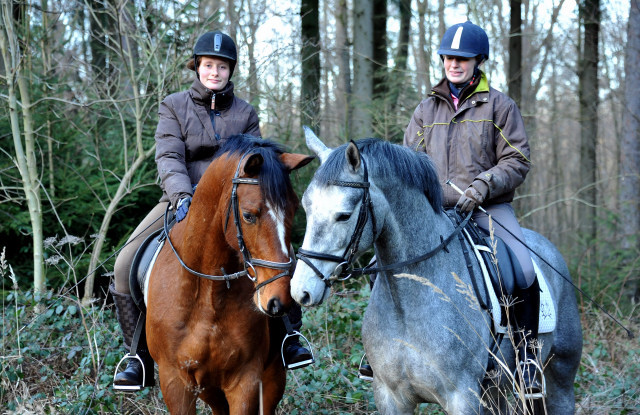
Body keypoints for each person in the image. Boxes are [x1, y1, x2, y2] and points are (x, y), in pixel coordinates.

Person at [110, 30, 312, 390]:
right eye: (208, 65)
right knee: (125, 262)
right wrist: (181, 195)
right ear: (197, 67)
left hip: (238, 204)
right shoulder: (174, 106)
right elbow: (169, 157)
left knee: (282, 255)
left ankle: (287, 339)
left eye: (221, 66)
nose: (214, 72)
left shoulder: (245, 112)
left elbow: (259, 160)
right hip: (181, 199)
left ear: (230, 71)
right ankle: (136, 356)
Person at [402, 21, 542, 396]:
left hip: (486, 208)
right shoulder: (425, 109)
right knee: (389, 251)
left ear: (478, 61)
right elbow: (410, 160)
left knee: (522, 267)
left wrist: (483, 185)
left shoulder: (500, 105)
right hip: (433, 210)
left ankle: (527, 358)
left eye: (462, 59)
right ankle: (380, 349)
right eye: (449, 57)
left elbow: (516, 160)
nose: (454, 64)